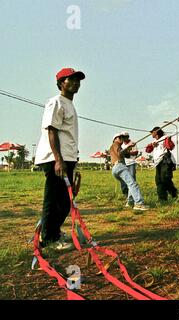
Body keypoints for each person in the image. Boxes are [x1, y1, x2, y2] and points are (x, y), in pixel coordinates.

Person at [34, 68, 85, 250]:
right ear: (61, 83)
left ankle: (53, 232)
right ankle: (48, 238)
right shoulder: (56, 102)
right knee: (54, 200)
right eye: (71, 79)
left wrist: (72, 158)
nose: (76, 83)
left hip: (67, 158)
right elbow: (52, 130)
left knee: (64, 202)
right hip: (56, 158)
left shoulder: (70, 104)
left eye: (78, 80)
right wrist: (58, 160)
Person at [110, 133, 149, 211]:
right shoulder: (115, 144)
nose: (122, 139)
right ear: (115, 139)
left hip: (115, 169)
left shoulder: (118, 147)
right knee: (133, 184)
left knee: (130, 185)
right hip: (120, 166)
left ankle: (130, 202)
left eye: (122, 137)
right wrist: (128, 146)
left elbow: (127, 155)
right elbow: (120, 154)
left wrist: (130, 147)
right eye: (119, 137)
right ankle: (139, 204)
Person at [145, 127, 178, 203]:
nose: (151, 134)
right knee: (158, 180)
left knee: (165, 179)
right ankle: (162, 199)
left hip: (165, 160)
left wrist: (168, 140)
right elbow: (148, 150)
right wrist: (151, 145)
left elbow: (170, 147)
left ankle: (174, 193)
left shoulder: (165, 138)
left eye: (152, 132)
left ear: (156, 132)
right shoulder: (154, 141)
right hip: (157, 162)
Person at [119, 131, 140, 206]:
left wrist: (126, 152)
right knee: (123, 182)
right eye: (121, 137)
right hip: (123, 164)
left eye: (124, 137)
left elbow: (136, 152)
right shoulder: (120, 145)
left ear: (128, 137)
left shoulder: (132, 143)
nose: (123, 138)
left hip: (131, 163)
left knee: (131, 182)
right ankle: (126, 196)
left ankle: (130, 200)